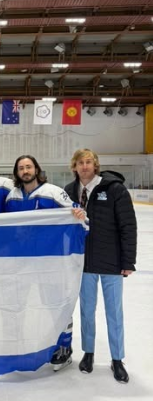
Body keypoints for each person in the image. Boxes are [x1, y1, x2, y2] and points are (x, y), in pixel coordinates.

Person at [5, 154, 85, 371]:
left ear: (36, 169)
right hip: (21, 263)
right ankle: (19, 345)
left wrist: (79, 214)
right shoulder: (11, 197)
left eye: (28, 167)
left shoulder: (54, 192)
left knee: (55, 305)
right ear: (17, 172)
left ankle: (64, 348)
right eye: (21, 168)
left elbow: (78, 214)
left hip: (50, 262)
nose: (25, 171)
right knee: (18, 305)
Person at [65, 149, 137, 383]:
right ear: (74, 166)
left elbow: (128, 225)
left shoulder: (115, 189)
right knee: (87, 311)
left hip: (111, 262)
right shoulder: (69, 191)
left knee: (114, 312)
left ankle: (117, 358)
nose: (85, 166)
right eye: (80, 163)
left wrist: (127, 261)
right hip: (84, 262)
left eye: (89, 162)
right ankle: (88, 353)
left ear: (95, 165)